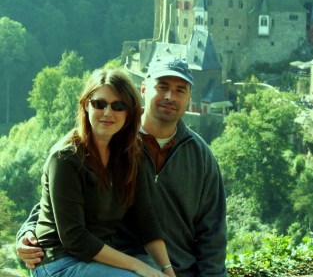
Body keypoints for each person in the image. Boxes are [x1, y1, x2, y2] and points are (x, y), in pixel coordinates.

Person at [17, 57, 227, 276]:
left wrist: (170, 271)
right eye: (162, 87)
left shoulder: (198, 157)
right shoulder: (102, 140)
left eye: (180, 90)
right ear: (144, 89)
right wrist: (27, 232)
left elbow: (212, 232)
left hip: (171, 268)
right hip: (115, 261)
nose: (169, 96)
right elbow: (54, 205)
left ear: (189, 97)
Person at [22, 68, 176, 277]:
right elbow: (74, 237)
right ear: (86, 105)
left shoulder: (130, 155)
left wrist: (167, 270)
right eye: (99, 104)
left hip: (101, 258)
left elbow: (146, 222)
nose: (107, 113)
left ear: (129, 112)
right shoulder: (66, 158)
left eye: (118, 106)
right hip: (60, 261)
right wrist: (137, 266)